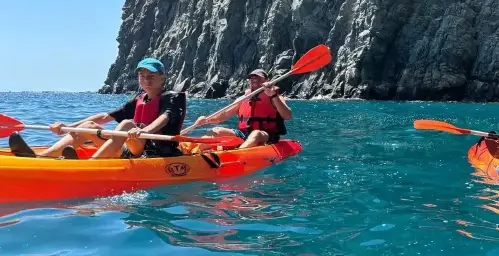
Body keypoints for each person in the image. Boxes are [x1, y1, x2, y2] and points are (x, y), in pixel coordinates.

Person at [8, 57, 186, 160]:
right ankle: (42, 158)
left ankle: (92, 164)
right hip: (132, 149)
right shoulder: (139, 99)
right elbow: (105, 116)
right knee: (88, 126)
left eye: (152, 76)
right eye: (143, 76)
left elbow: (165, 117)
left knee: (126, 124)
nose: (146, 80)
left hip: (154, 153)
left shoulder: (173, 98)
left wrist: (143, 131)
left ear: (162, 78)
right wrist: (68, 127)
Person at [190, 68, 292, 149]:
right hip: (244, 134)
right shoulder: (243, 98)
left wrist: (273, 95)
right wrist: (206, 120)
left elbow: (287, 115)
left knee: (256, 133)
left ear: (267, 81)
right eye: (252, 79)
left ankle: (238, 153)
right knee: (217, 130)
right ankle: (194, 151)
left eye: (259, 78)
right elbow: (224, 114)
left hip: (267, 135)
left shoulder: (275, 97)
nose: (254, 80)